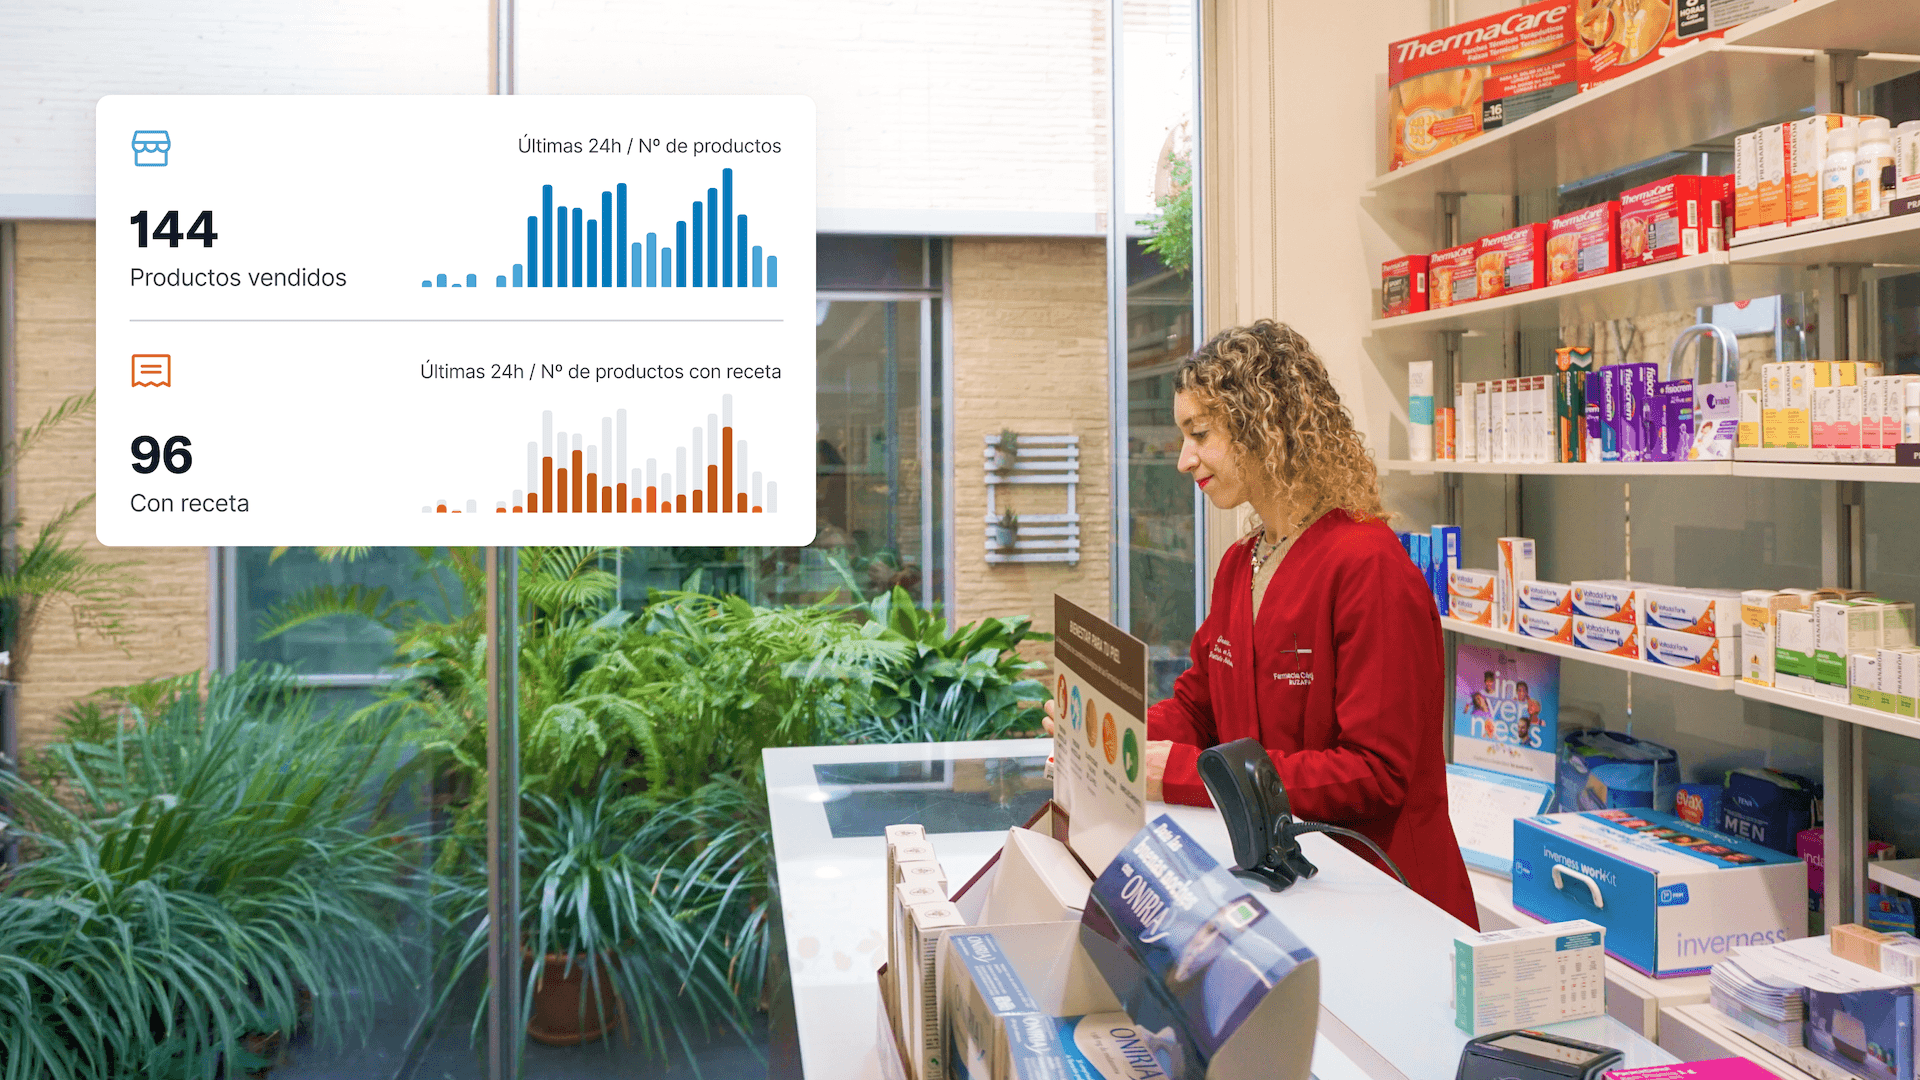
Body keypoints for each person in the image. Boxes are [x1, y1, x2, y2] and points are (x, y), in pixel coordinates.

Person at [1051, 320, 1476, 927]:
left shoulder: (1368, 567)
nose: (1182, 459)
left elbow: (1374, 773)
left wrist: (1178, 773)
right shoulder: (1239, 565)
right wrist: (1108, 738)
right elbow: (1200, 708)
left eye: (1200, 434)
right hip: (1283, 887)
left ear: (1262, 426)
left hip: (1386, 899)